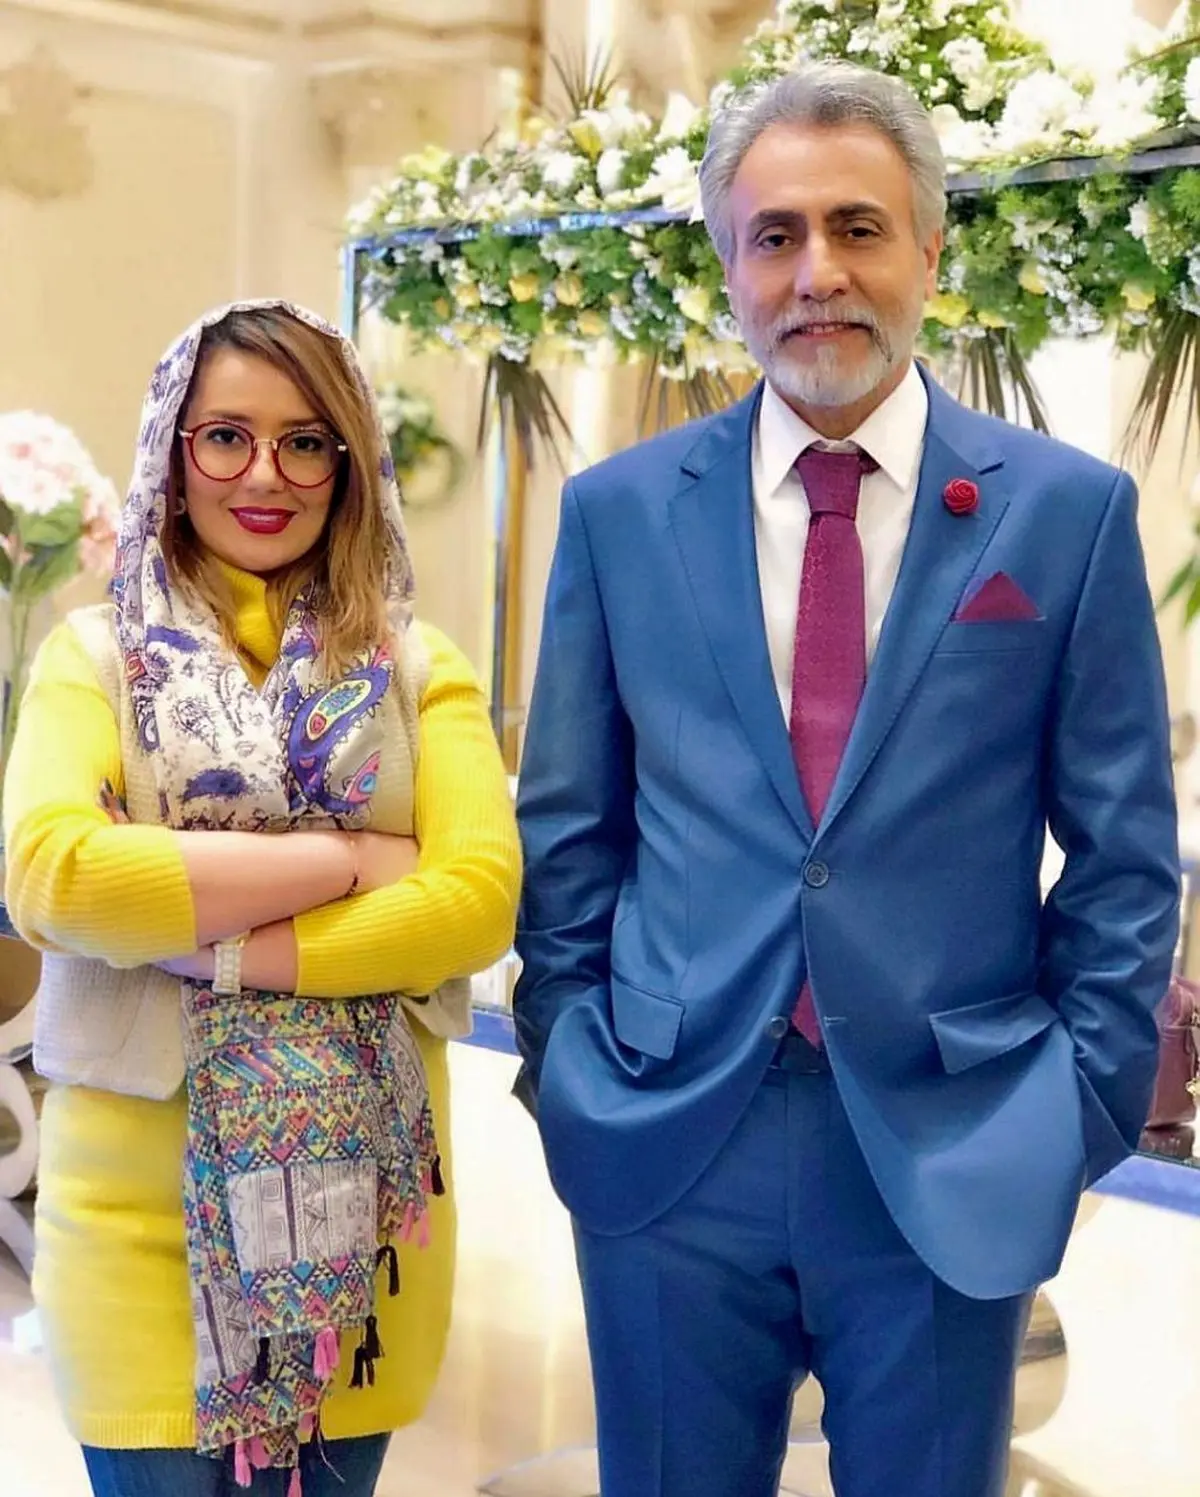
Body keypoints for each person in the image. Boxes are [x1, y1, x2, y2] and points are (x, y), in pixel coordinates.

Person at [512, 62, 1179, 1497]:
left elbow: (1124, 854)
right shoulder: (619, 516)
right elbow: (570, 829)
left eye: (859, 228)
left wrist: (1077, 1103)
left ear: (931, 249)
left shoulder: (1064, 515)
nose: (818, 272)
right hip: (669, 1136)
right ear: (729, 268)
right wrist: (571, 1059)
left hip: (950, 1136)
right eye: (777, 235)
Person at [2, 300, 521, 1497]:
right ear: (173, 453)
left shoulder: (417, 667)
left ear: (350, 463)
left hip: (366, 1256)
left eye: (305, 441)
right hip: (134, 1236)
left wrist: (214, 938)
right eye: (227, 436)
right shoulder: (93, 660)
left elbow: (477, 903)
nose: (265, 474)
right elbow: (53, 876)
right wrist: (350, 860)